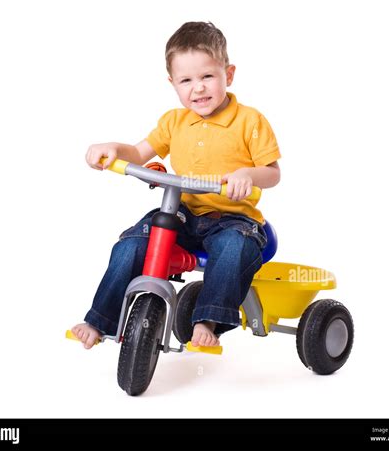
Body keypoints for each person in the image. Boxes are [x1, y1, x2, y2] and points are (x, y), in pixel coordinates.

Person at [72, 21, 281, 349]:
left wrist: (247, 175)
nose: (197, 88)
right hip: (184, 214)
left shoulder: (249, 120)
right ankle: (100, 321)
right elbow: (139, 153)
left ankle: (207, 320)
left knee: (233, 247)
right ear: (173, 83)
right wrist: (114, 149)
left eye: (207, 77)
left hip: (234, 219)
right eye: (187, 80)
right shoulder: (174, 121)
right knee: (131, 243)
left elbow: (272, 172)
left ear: (229, 74)